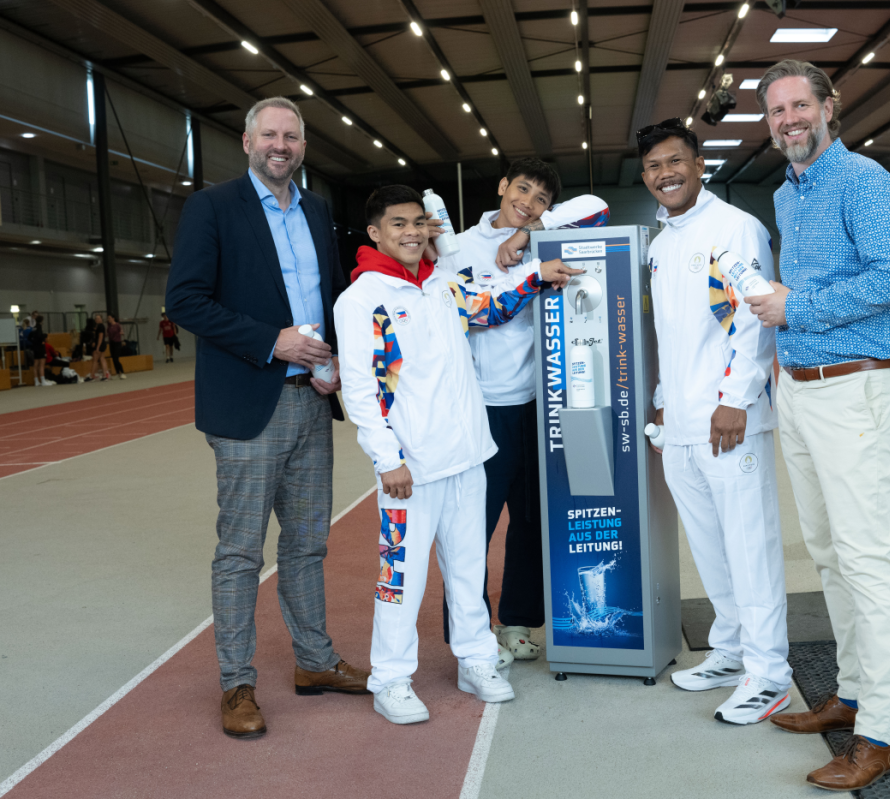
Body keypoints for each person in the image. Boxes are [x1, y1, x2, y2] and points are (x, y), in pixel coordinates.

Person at [333, 185, 582, 725]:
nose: (411, 232)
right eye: (398, 224)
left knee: (469, 570)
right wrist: (386, 458)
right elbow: (360, 389)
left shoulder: (444, 283)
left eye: (419, 223)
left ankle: (474, 659)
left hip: (469, 456)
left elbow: (489, 307)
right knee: (400, 578)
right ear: (375, 233)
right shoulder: (361, 300)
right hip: (411, 470)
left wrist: (537, 275)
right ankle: (391, 679)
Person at [166, 96, 369, 740]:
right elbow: (185, 300)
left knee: (308, 544)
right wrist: (270, 341)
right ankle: (237, 684)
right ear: (248, 141)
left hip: (311, 399)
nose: (281, 145)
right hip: (250, 405)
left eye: (292, 136)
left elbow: (334, 295)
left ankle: (313, 662)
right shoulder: (213, 206)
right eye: (270, 135)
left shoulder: (314, 209)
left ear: (303, 147)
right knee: (240, 553)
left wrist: (337, 356)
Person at [745, 60, 890, 792]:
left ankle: (878, 734)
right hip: (801, 391)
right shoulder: (789, 193)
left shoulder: (863, 181)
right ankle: (849, 694)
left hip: (853, 388)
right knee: (826, 552)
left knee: (865, 558)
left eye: (798, 105)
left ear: (827, 108)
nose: (788, 119)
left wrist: (798, 310)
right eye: (776, 110)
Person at [636, 119, 791, 725]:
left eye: (676, 161)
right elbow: (668, 332)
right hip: (679, 425)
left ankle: (769, 674)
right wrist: (660, 397)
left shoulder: (735, 227)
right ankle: (729, 651)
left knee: (750, 548)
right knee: (710, 547)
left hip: (730, 420)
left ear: (701, 165)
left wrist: (737, 397)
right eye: (653, 166)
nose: (665, 173)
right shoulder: (662, 241)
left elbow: (752, 320)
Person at [437, 158, 609, 661]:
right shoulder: (457, 248)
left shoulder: (542, 238)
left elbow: (597, 208)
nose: (527, 202)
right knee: (473, 527)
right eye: (522, 190)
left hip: (537, 405)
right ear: (501, 186)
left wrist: (532, 234)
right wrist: (531, 274)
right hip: (480, 409)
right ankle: (468, 636)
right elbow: (475, 313)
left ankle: (516, 622)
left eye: (540, 199)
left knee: (531, 522)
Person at [86, 312, 111, 383]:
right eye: (96, 318)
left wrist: (98, 347)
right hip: (102, 344)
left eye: (98, 318)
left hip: (100, 345)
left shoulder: (100, 326)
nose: (96, 319)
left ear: (101, 319)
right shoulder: (99, 326)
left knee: (95, 360)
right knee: (102, 359)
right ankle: (105, 374)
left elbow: (100, 337)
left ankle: (92, 375)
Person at [29, 314, 52, 388]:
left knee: (36, 364)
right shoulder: (39, 327)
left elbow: (29, 337)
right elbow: (39, 336)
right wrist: (43, 337)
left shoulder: (34, 328)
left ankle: (36, 381)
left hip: (35, 348)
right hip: (40, 348)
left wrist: (33, 342)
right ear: (42, 321)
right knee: (42, 364)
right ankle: (43, 380)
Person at [106, 314, 127, 380]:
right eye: (108, 318)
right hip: (111, 343)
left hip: (117, 343)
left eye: (109, 318)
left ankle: (122, 372)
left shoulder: (117, 325)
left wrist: (121, 333)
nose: (108, 319)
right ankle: (118, 373)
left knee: (116, 359)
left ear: (113, 318)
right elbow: (108, 334)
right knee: (113, 359)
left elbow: (122, 332)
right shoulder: (109, 327)